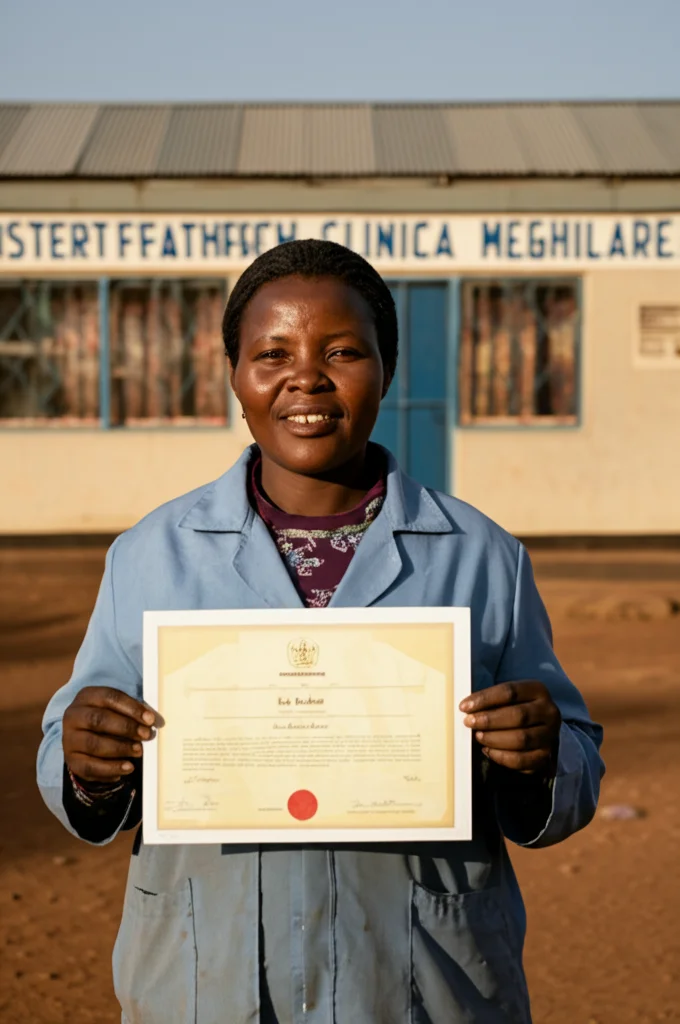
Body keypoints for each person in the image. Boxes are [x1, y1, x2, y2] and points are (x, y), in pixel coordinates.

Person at [38, 239, 604, 1024]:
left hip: (421, 986)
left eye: (342, 351)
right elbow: (65, 749)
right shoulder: (149, 556)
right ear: (234, 375)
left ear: (387, 369)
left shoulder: (484, 558)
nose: (306, 376)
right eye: (272, 352)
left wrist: (543, 758)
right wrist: (88, 761)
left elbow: (574, 759)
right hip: (207, 987)